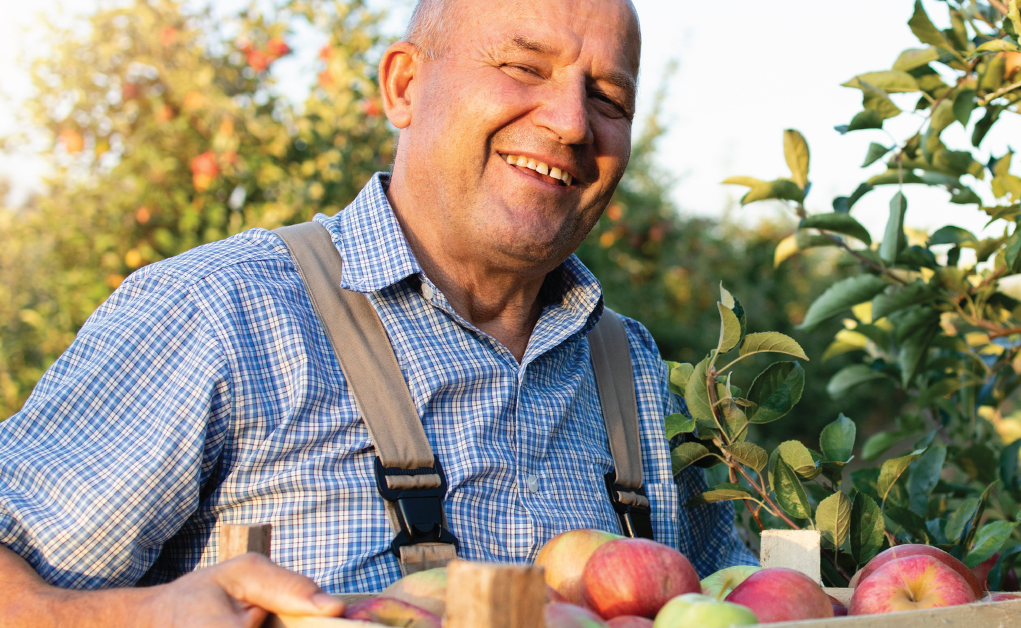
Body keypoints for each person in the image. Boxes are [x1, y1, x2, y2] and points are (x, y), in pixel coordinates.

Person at [0, 0, 757, 624]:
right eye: (524, 67)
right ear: (403, 86)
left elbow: (735, 602)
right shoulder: (221, 313)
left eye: (609, 99)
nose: (570, 123)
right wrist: (134, 617)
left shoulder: (637, 376)